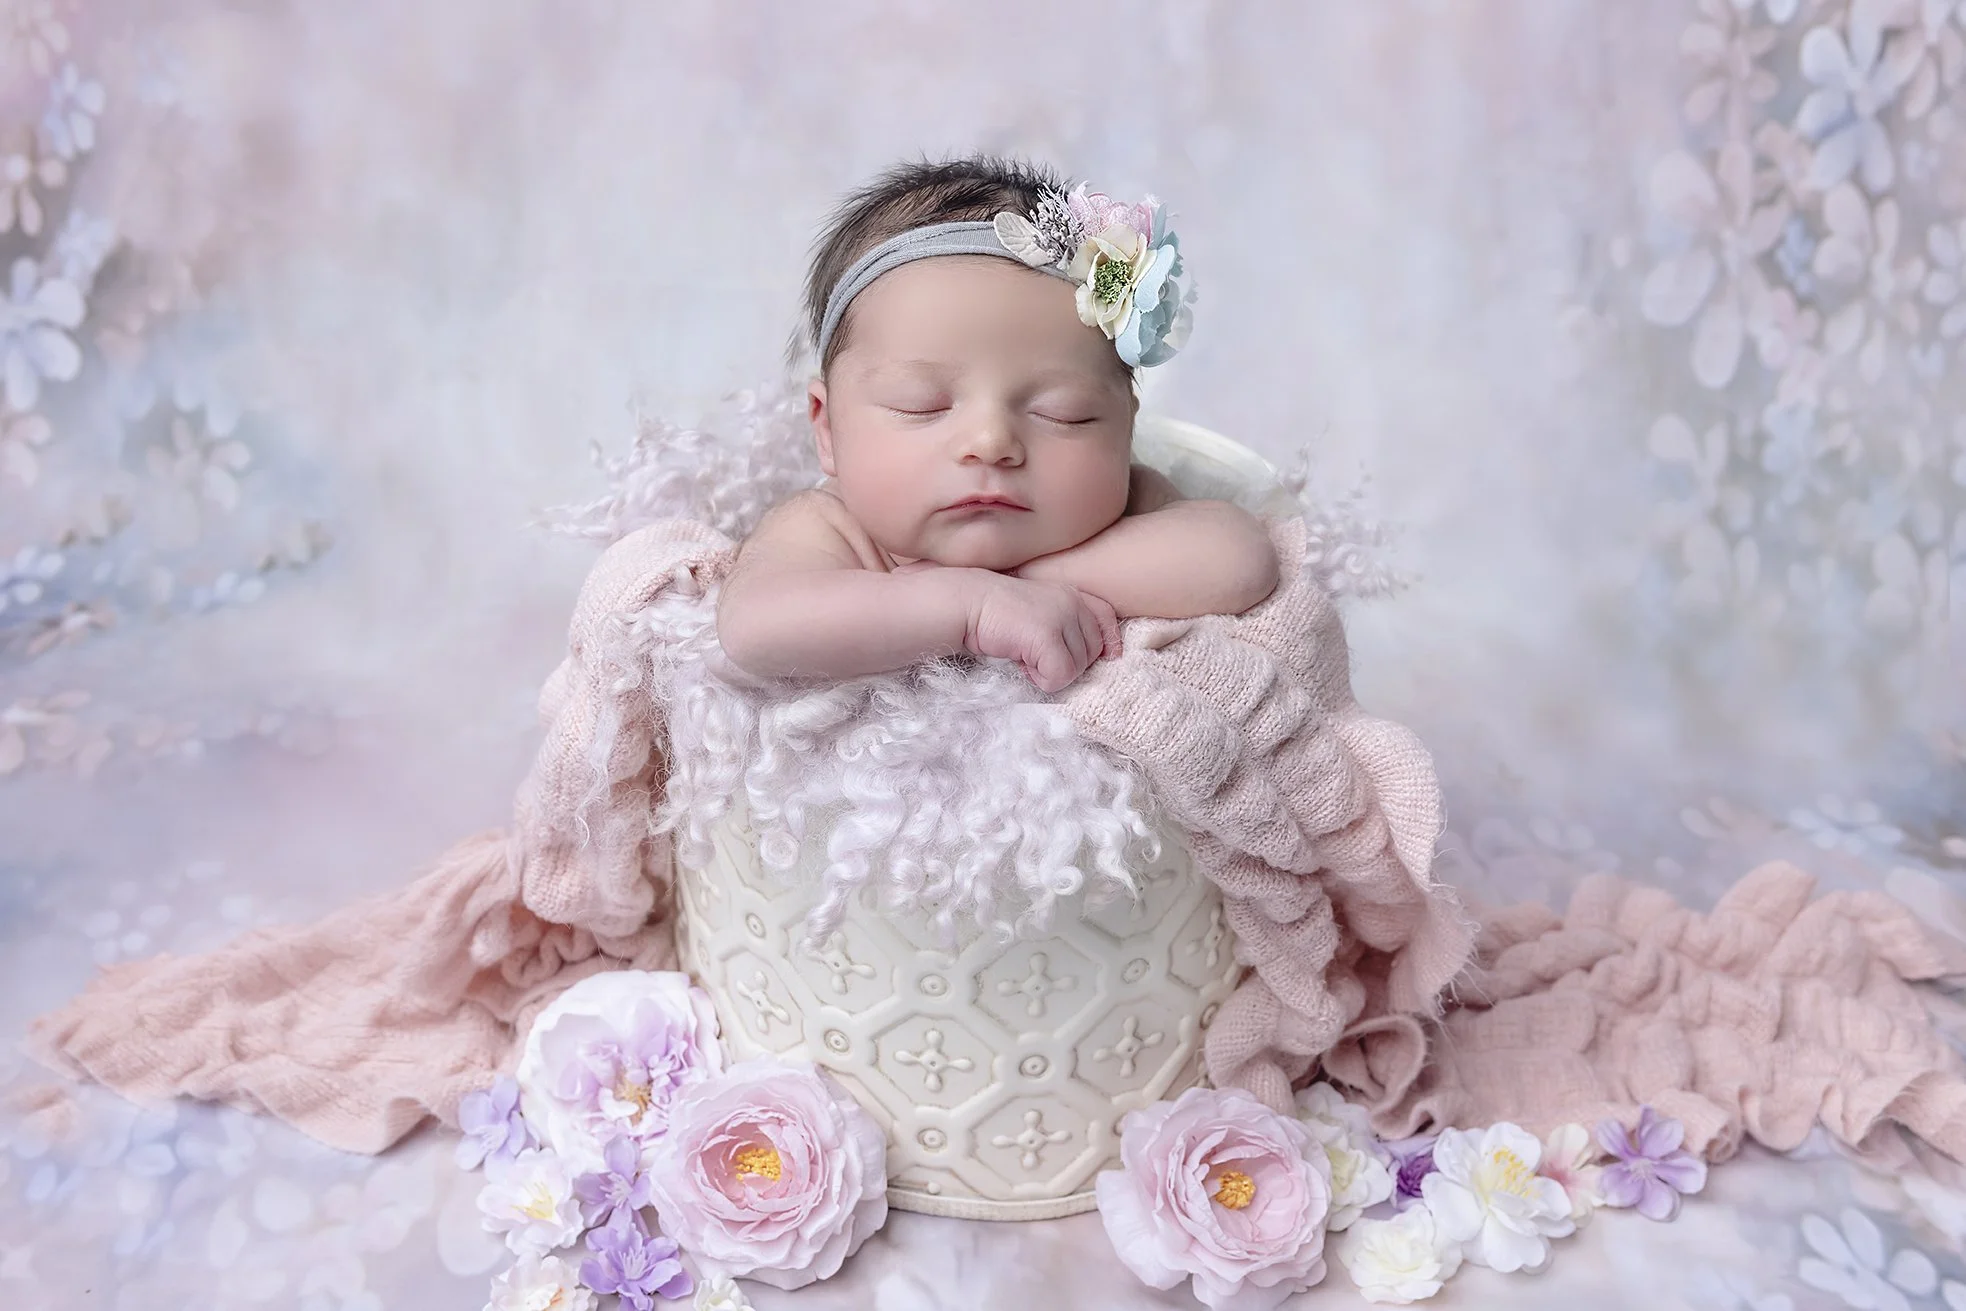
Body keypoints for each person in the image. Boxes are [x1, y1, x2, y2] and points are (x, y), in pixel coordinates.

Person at [715, 155, 1281, 694]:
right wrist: (969, 608)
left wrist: (1025, 579)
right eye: (922, 405)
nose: (991, 443)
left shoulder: (1125, 507)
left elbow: (1241, 559)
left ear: (1123, 430)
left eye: (1064, 413)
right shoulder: (829, 526)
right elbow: (755, 627)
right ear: (828, 431)